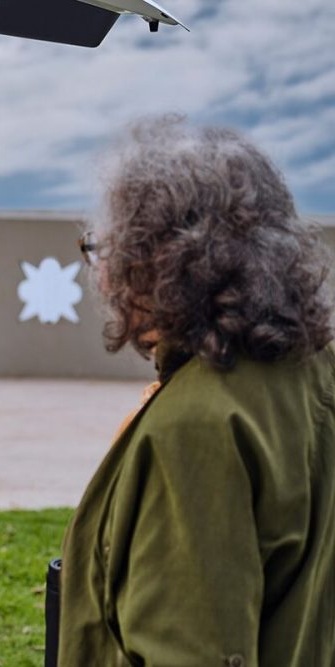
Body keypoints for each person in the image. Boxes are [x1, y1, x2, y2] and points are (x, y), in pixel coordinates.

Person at [59, 115, 335, 666]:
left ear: (161, 259)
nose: (102, 273)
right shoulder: (315, 367)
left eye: (106, 248)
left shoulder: (196, 425)